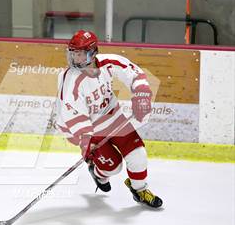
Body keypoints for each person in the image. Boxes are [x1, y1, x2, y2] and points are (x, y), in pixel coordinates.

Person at [55, 30, 163, 208]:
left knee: (138, 156)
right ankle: (98, 173)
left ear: (92, 52)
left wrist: (142, 95)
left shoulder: (108, 62)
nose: (75, 58)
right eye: (73, 54)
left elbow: (134, 74)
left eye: (80, 54)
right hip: (90, 128)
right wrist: (85, 141)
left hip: (116, 119)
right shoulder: (69, 79)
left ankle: (140, 189)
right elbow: (71, 115)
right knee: (113, 167)